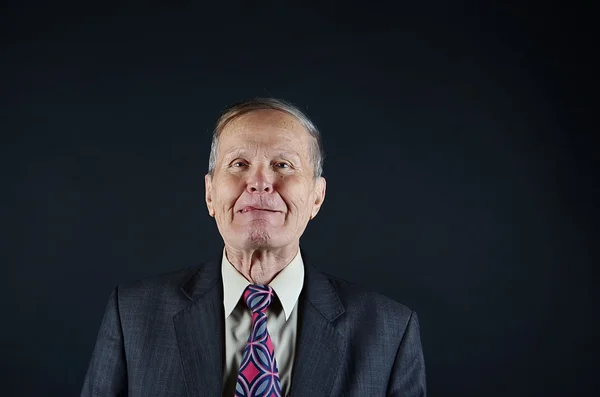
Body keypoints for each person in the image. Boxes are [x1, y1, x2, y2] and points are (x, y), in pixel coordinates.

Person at [81, 98, 427, 397]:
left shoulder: (389, 331)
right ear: (209, 194)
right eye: (239, 164)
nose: (259, 183)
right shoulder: (133, 316)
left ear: (317, 197)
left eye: (282, 165)